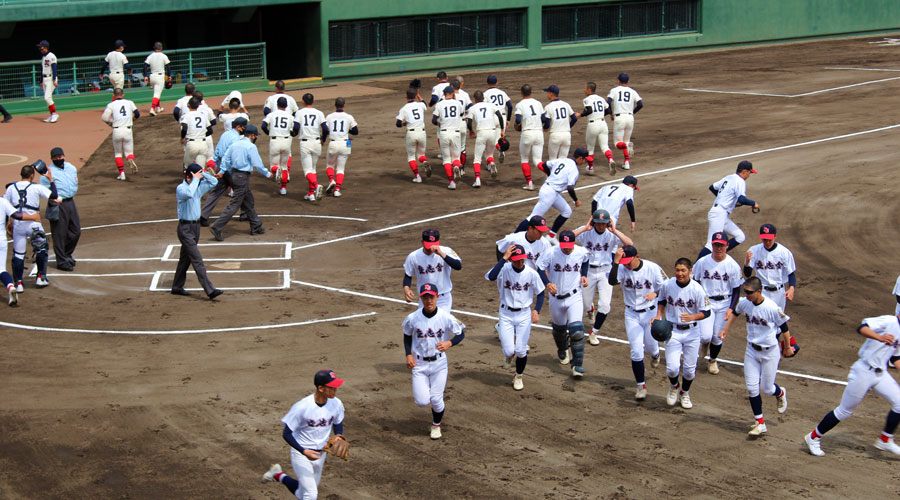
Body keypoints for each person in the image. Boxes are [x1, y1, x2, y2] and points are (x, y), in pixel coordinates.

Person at [804, 313, 900, 457]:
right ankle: (813, 437)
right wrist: (880, 337)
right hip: (863, 371)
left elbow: (896, 357)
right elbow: (862, 328)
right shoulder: (889, 320)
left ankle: (885, 439)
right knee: (845, 411)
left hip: (880, 374)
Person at [718, 276, 792, 437]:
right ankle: (760, 423)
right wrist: (725, 329)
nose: (747, 294)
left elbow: (785, 329)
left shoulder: (772, 308)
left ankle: (780, 393)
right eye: (745, 291)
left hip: (770, 352)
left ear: (759, 291)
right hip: (751, 350)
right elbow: (736, 313)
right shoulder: (745, 303)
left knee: (766, 388)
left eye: (750, 292)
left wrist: (787, 348)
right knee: (752, 388)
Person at [261, 370, 346, 498]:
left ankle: (277, 475)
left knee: (303, 493)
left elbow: (338, 422)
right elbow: (287, 434)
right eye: (332, 387)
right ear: (321, 388)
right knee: (311, 494)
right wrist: (303, 451)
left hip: (321, 453)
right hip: (301, 453)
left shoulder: (336, 403)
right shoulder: (302, 407)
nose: (335, 389)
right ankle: (278, 474)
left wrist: (339, 435)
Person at [403, 283, 466, 439]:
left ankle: (436, 425)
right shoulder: (413, 318)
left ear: (437, 297)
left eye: (431, 297)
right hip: (419, 364)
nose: (429, 300)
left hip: (439, 364)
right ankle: (434, 414)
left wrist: (449, 343)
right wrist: (408, 354)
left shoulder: (445, 316)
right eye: (425, 297)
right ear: (421, 298)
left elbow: (461, 332)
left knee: (436, 399)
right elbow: (407, 335)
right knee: (422, 401)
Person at [608, 245, 666, 399]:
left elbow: (666, 286)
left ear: (637, 257)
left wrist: (655, 292)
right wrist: (616, 262)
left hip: (650, 313)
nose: (626, 264)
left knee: (652, 347)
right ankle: (641, 386)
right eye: (624, 261)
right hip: (631, 315)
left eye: (629, 261)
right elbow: (612, 281)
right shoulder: (621, 267)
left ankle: (655, 355)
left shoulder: (652, 268)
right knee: (636, 351)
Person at [486, 244, 545, 390]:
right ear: (511, 259)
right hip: (505, 314)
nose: (520, 263)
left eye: (521, 260)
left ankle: (518, 376)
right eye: (516, 260)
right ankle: (508, 354)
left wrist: (536, 310)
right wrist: (503, 259)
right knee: (508, 351)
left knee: (520, 350)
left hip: (524, 314)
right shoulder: (504, 269)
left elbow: (541, 293)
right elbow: (492, 277)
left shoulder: (531, 273)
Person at [654, 258, 711, 409]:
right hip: (672, 330)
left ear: (690, 271)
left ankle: (684, 392)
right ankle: (674, 387)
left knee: (689, 371)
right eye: (677, 270)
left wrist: (693, 316)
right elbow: (662, 300)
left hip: (692, 332)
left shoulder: (697, 289)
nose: (680, 273)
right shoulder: (668, 284)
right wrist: (658, 314)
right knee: (672, 368)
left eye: (683, 270)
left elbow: (706, 311)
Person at [572, 209, 633, 345]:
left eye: (603, 223)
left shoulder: (612, 235)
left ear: (608, 224)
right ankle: (590, 310)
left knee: (605, 305)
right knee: (586, 303)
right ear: (593, 222)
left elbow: (630, 244)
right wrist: (584, 228)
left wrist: (615, 231)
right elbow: (567, 237)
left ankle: (594, 332)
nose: (601, 226)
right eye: (598, 223)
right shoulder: (587, 232)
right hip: (588, 271)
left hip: (606, 270)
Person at [537, 230, 590, 377]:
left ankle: (577, 365)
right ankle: (562, 348)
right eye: (564, 245)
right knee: (559, 330)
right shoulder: (551, 252)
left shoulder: (581, 251)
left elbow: (586, 260)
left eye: (569, 245)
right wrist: (547, 283)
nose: (566, 248)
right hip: (556, 298)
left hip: (574, 297)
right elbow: (540, 268)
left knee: (577, 330)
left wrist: (584, 275)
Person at [692, 232, 743, 375]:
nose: (718, 248)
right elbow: (695, 281)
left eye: (721, 245)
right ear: (712, 245)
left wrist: (732, 308)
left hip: (725, 302)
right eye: (716, 245)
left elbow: (736, 289)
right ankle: (704, 344)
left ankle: (712, 360)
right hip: (707, 301)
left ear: (727, 246)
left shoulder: (732, 265)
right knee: (706, 336)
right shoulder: (702, 262)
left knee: (717, 336)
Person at [210, 124, 272, 240]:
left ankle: (256, 225)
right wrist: (267, 173)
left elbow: (225, 159)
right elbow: (257, 164)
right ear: (252, 136)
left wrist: (223, 171)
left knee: (248, 200)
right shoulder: (250, 147)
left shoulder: (235, 144)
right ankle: (217, 227)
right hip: (242, 177)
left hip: (233, 175)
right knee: (235, 203)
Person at [172, 164, 222, 299]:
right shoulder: (181, 188)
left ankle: (177, 286)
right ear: (189, 177)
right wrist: (195, 179)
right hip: (185, 229)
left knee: (185, 259)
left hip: (195, 228)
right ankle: (210, 290)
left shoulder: (197, 187)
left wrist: (203, 172)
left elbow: (214, 181)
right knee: (197, 259)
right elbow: (189, 193)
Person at [5, 163, 58, 290]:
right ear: (32, 176)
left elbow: (5, 206)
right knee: (42, 249)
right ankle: (41, 278)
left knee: (18, 254)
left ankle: (18, 284)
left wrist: (8, 223)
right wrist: (51, 179)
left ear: (21, 175)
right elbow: (54, 196)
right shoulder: (36, 187)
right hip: (34, 224)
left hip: (18, 225)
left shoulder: (11, 188)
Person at [513, 148, 586, 238]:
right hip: (550, 193)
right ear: (580, 158)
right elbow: (570, 188)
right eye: (585, 159)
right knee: (533, 217)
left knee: (567, 211)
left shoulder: (562, 160)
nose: (585, 162)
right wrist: (576, 200)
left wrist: (549, 175)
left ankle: (551, 236)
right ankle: (513, 238)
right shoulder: (574, 170)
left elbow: (544, 164)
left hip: (551, 191)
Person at [699, 160, 759, 258]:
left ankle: (718, 254)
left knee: (740, 236)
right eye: (749, 173)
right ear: (744, 171)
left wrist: (724, 199)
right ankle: (694, 270)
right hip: (718, 214)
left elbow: (712, 187)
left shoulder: (729, 177)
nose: (749, 175)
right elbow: (742, 199)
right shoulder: (740, 181)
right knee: (711, 244)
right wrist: (753, 203)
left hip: (722, 214)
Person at [200, 117, 248, 227]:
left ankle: (203, 215)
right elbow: (229, 156)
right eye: (244, 126)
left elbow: (217, 150)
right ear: (239, 127)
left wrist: (216, 164)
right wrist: (223, 170)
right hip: (228, 167)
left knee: (216, 192)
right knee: (241, 189)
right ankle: (245, 214)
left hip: (221, 165)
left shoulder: (225, 134)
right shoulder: (235, 139)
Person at [39, 148, 80, 271]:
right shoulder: (48, 173)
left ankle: (66, 254)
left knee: (76, 231)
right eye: (55, 157)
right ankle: (62, 261)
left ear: (64, 156)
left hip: (70, 201)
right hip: (57, 204)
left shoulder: (71, 168)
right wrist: (53, 199)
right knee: (59, 234)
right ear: (51, 159)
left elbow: (74, 182)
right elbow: (44, 191)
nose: (58, 159)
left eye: (60, 156)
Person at [403, 229, 461, 310]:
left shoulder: (446, 251)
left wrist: (441, 254)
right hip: (425, 297)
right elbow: (408, 275)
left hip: (443, 298)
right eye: (428, 245)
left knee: (440, 322)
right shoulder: (413, 256)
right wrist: (406, 289)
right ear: (422, 242)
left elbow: (458, 266)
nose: (431, 248)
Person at [743, 223, 796, 311]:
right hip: (762, 291)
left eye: (769, 239)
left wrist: (791, 289)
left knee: (778, 320)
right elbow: (747, 274)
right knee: (762, 318)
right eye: (764, 239)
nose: (767, 242)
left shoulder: (784, 252)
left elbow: (791, 274)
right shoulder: (754, 250)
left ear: (775, 236)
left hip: (779, 293)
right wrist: (747, 262)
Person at [0, 187, 38, 305]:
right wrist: (33, 216)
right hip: (1, 240)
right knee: (1, 269)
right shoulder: (2, 201)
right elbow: (16, 215)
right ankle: (10, 286)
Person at [466, 90, 505, 187]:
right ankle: (491, 163)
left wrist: (471, 130)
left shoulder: (473, 108)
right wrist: (502, 129)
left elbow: (469, 123)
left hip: (481, 133)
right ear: (483, 97)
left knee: (477, 159)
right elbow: (500, 116)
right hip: (492, 132)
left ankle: (478, 180)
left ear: (474, 99)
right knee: (489, 154)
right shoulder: (491, 105)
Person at [262, 97, 300, 195]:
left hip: (274, 141)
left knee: (274, 166)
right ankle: (283, 188)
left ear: (277, 105)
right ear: (286, 106)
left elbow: (263, 126)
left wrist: (268, 132)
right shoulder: (290, 116)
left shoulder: (271, 115)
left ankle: (277, 170)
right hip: (286, 142)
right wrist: (293, 133)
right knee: (284, 167)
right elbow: (296, 127)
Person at [101, 88, 140, 180]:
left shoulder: (111, 105)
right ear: (123, 95)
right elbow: (137, 114)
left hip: (117, 130)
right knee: (129, 152)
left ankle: (122, 174)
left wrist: (112, 123)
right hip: (128, 130)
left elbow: (104, 117)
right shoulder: (130, 102)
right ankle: (130, 158)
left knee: (118, 153)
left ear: (114, 96)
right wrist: (132, 119)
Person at [606, 73, 643, 170]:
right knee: (626, 140)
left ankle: (627, 145)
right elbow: (640, 104)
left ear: (618, 81)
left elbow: (608, 102)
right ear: (628, 81)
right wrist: (632, 112)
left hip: (619, 118)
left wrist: (610, 113)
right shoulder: (633, 91)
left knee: (618, 144)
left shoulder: (614, 90)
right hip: (630, 118)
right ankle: (627, 163)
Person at [296, 93, 328, 201]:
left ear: (303, 101)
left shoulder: (299, 113)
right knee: (313, 169)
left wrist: (292, 134)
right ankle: (311, 194)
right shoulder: (319, 113)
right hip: (317, 143)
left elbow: (296, 127)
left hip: (305, 144)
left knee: (307, 171)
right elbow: (325, 128)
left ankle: (316, 186)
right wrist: (323, 139)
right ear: (313, 101)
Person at [323, 98, 358, 197]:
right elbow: (356, 131)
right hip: (346, 143)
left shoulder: (329, 117)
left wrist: (323, 139)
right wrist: (347, 130)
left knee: (330, 166)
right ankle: (337, 190)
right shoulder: (349, 117)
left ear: (335, 105)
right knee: (341, 169)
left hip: (333, 143)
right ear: (344, 105)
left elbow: (325, 130)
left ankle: (331, 180)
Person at [577, 81, 614, 174]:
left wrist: (580, 115)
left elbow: (589, 110)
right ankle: (610, 160)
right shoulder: (601, 99)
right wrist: (600, 114)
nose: (584, 90)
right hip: (603, 124)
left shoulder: (587, 99)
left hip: (593, 125)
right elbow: (609, 110)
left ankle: (590, 168)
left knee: (590, 148)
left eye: (585, 88)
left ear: (589, 90)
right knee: (605, 147)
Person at [514, 84, 545, 190]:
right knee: (538, 160)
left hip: (527, 134)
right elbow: (544, 119)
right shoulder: (538, 103)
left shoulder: (520, 104)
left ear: (521, 93)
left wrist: (518, 125)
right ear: (531, 92)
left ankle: (530, 183)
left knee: (524, 159)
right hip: (539, 133)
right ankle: (551, 176)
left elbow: (518, 119)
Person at [432, 86, 464, 190]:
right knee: (456, 157)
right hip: (455, 133)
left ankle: (451, 182)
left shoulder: (439, 104)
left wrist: (439, 123)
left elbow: (433, 120)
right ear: (453, 94)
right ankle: (456, 166)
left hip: (444, 133)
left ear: (444, 94)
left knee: (446, 159)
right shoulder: (458, 103)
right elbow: (462, 114)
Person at [397, 87, 430, 183]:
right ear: (415, 96)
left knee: (411, 156)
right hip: (422, 133)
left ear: (406, 96)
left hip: (411, 134)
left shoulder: (404, 109)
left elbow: (398, 124)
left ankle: (417, 177)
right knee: (421, 155)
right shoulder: (420, 105)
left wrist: (404, 123)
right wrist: (418, 95)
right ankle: (424, 161)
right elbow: (424, 104)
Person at [543, 84, 577, 160]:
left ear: (551, 93)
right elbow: (574, 118)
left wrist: (545, 128)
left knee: (552, 160)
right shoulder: (566, 104)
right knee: (563, 160)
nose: (547, 94)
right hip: (567, 135)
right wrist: (568, 126)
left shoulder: (548, 107)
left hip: (555, 135)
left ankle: (552, 172)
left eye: (547, 92)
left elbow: (547, 123)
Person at [180, 97, 212, 170]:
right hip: (203, 144)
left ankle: (187, 180)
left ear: (188, 105)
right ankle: (199, 180)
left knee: (187, 167)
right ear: (198, 106)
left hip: (192, 144)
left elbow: (184, 127)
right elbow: (210, 130)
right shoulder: (202, 115)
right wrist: (202, 135)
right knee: (200, 169)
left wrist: (182, 138)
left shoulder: (187, 115)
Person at [450, 77, 472, 172]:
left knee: (453, 148)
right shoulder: (464, 94)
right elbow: (471, 106)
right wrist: (466, 112)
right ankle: (462, 169)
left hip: (453, 124)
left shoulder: (448, 96)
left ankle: (456, 166)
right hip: (463, 123)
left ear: (451, 86)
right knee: (462, 147)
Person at [143, 41, 170, 115]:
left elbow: (145, 65)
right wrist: (169, 76)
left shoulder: (151, 55)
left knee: (156, 92)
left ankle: (158, 108)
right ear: (161, 48)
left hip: (152, 76)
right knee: (157, 94)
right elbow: (168, 67)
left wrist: (145, 76)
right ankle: (152, 108)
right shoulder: (163, 56)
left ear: (154, 48)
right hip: (159, 77)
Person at [36, 40, 59, 123]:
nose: (40, 48)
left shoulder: (51, 56)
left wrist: (54, 80)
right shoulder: (43, 57)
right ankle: (52, 114)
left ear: (45, 47)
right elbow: (42, 69)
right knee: (48, 98)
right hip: (45, 78)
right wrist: (41, 81)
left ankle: (54, 114)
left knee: (47, 97)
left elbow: (54, 68)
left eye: (41, 47)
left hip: (51, 78)